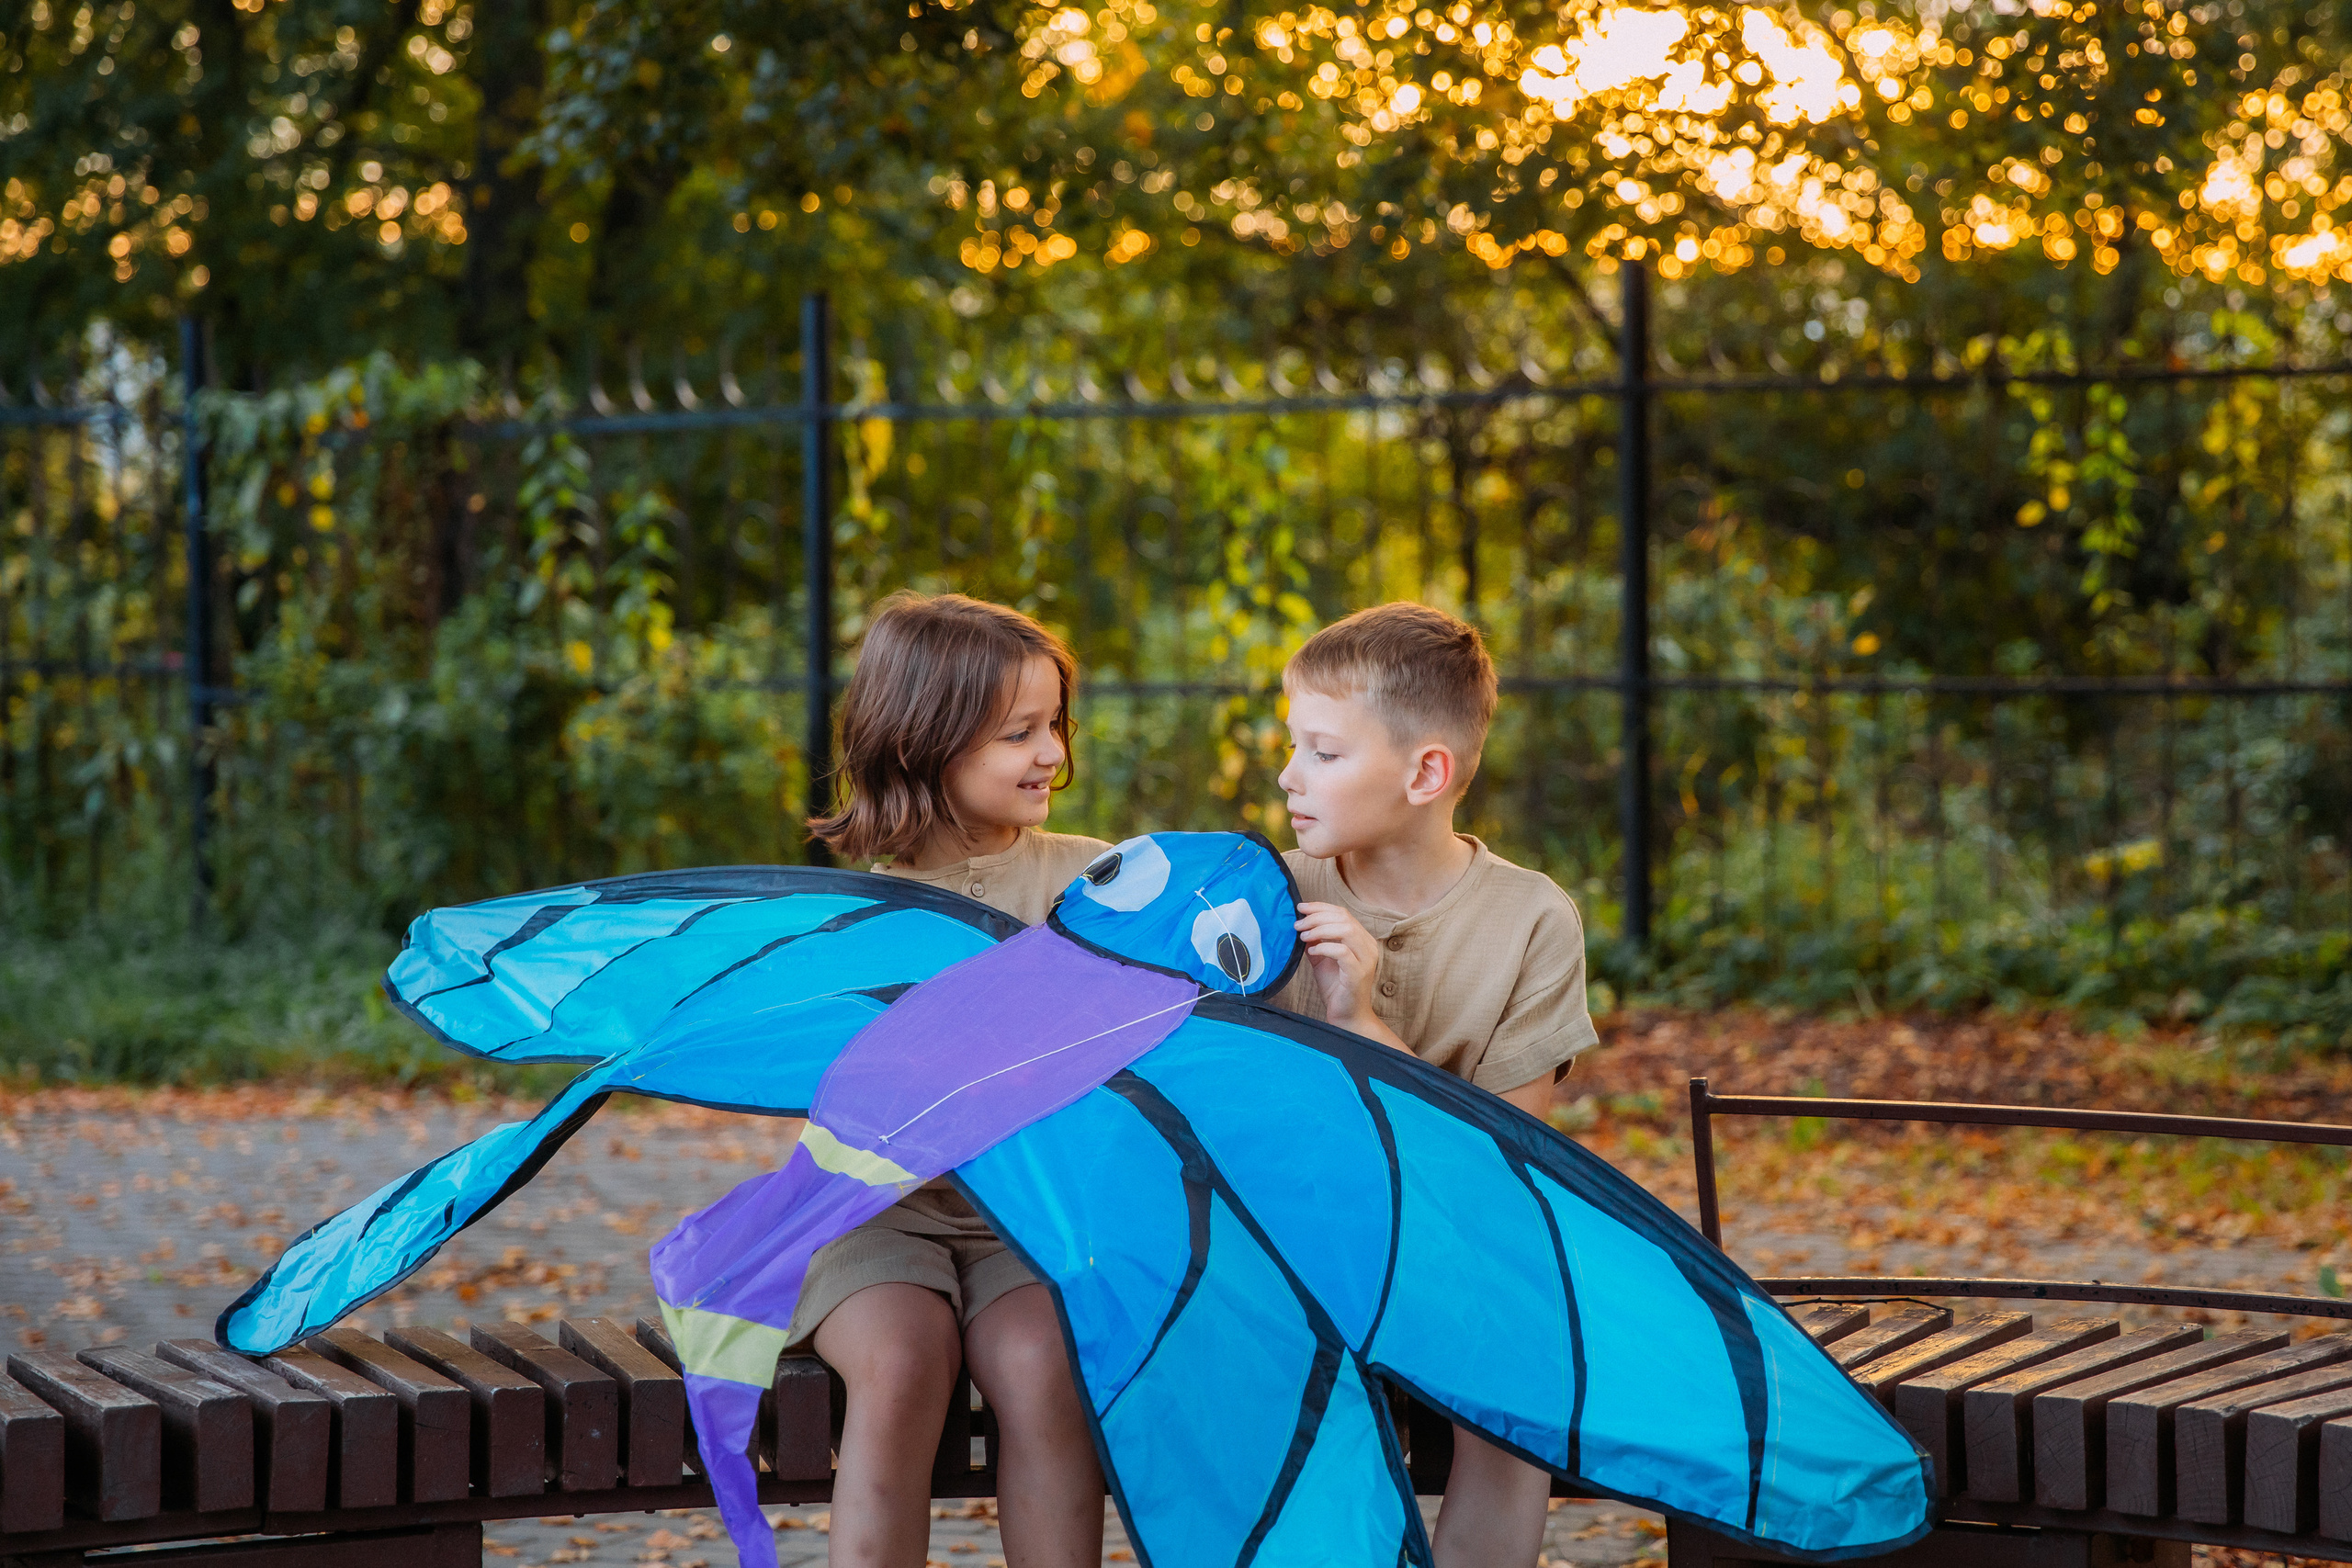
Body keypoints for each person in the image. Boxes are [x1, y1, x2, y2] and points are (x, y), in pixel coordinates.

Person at [1271, 600, 1600, 1568]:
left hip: (1460, 1235)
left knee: (1519, 1358)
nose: (1289, 775)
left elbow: (1505, 1156)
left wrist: (1365, 1026)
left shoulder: (1533, 920)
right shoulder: (1263, 897)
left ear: (1425, 774)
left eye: (1323, 752)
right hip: (1296, 1234)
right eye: (1292, 746)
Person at [801, 591, 1111, 1568]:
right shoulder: (846, 916)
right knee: (902, 1362)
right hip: (874, 1215)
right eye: (1019, 733)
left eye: (1055, 724)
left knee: (1045, 1365)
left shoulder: (1101, 886)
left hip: (1031, 1220)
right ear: (922, 743)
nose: (1051, 752)